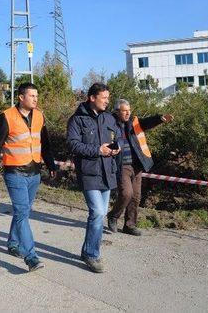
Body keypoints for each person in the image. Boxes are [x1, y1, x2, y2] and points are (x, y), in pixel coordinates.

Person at [0, 82, 57, 272]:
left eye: (36, 96)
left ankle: (13, 242)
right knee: (22, 212)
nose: (36, 99)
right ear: (21, 97)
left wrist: (51, 164)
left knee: (22, 212)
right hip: (15, 173)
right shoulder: (6, 117)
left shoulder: (40, 116)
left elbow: (46, 144)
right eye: (32, 96)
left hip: (34, 173)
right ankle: (31, 256)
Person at [67, 83, 121, 273]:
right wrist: (97, 150)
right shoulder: (77, 120)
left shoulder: (108, 118)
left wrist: (117, 146)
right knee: (98, 212)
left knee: (100, 214)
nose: (107, 101)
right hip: (89, 173)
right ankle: (92, 255)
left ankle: (87, 250)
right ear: (92, 98)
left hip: (107, 172)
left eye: (108, 97)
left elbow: (118, 135)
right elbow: (73, 145)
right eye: (104, 98)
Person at [107, 99, 173, 236]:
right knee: (126, 194)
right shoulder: (109, 123)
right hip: (121, 165)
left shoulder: (133, 122)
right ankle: (113, 216)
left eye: (129, 110)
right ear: (117, 111)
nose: (128, 113)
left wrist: (159, 118)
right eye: (124, 110)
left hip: (137, 165)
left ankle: (129, 225)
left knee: (136, 196)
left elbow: (146, 122)